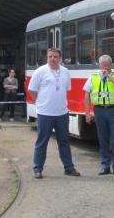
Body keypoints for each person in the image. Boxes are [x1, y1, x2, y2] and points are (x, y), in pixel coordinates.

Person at [28, 47, 80, 179]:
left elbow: (66, 89)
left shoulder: (66, 72)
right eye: (50, 56)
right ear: (47, 57)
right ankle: (38, 169)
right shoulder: (40, 71)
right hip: (45, 113)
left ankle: (69, 168)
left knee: (64, 142)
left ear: (60, 58)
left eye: (55, 57)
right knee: (42, 142)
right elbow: (32, 90)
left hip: (62, 112)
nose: (52, 59)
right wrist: (40, 102)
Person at [83, 54, 114, 176]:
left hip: (113, 110)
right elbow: (86, 94)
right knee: (103, 139)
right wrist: (87, 113)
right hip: (99, 110)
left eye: (107, 66)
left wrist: (109, 77)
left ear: (111, 65)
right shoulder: (93, 76)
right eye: (103, 65)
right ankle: (105, 166)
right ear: (99, 65)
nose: (105, 68)